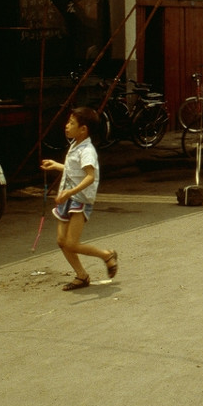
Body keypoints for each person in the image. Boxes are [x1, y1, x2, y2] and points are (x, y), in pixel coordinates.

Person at [40, 106, 117, 290]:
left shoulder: (87, 150)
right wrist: (57, 165)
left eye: (71, 123)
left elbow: (90, 176)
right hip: (68, 197)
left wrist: (69, 192)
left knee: (72, 243)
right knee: (62, 241)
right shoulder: (75, 144)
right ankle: (82, 276)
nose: (67, 126)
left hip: (79, 199)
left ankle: (106, 255)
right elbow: (74, 170)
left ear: (83, 129)